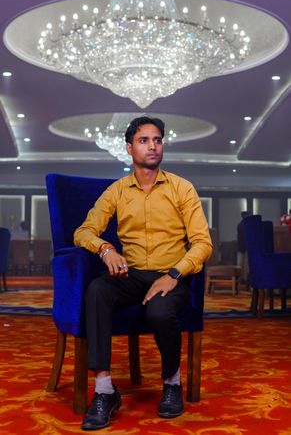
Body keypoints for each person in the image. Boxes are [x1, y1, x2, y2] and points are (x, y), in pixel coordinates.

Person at [74, 115, 213, 431]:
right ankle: (105, 390)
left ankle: (172, 382)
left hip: (171, 273)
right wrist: (105, 248)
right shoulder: (117, 191)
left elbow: (203, 243)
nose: (153, 146)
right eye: (144, 140)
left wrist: (175, 274)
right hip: (130, 275)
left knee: (159, 312)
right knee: (97, 289)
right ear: (128, 148)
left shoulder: (182, 188)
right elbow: (83, 231)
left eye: (157, 140)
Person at [237, 211, 250, 284]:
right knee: (242, 265)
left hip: (244, 246)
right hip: (243, 247)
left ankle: (243, 279)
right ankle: (242, 279)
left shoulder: (241, 224)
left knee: (244, 265)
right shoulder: (242, 225)